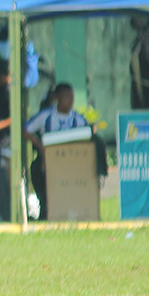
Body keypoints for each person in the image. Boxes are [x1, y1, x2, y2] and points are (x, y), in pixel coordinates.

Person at [22, 82, 90, 221]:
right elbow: (25, 130)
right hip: (48, 159)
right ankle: (45, 205)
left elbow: (88, 136)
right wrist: (39, 145)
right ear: (57, 98)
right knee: (36, 168)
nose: (70, 101)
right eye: (66, 97)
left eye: (71, 97)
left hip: (71, 161)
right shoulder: (45, 116)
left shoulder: (78, 119)